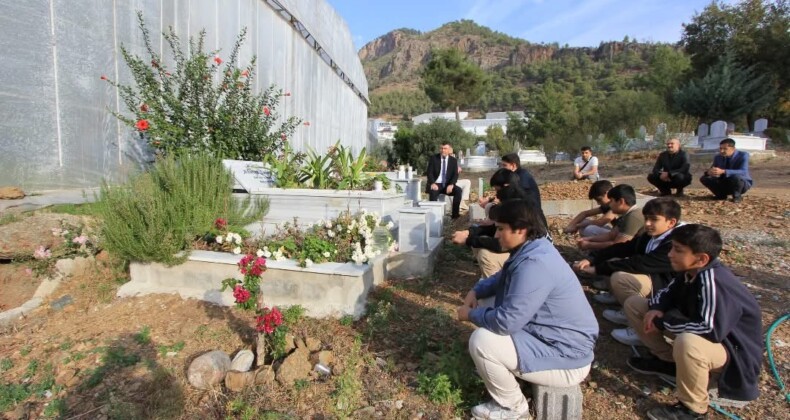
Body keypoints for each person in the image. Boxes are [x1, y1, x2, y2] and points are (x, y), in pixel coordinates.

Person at [457, 199, 598, 419]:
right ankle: (503, 370)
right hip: (549, 337)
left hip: (565, 357)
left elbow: (505, 323)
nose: (496, 235)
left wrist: (470, 315)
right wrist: (476, 291)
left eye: (501, 229)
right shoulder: (532, 249)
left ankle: (513, 408)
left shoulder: (536, 264)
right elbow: (500, 278)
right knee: (486, 301)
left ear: (521, 230)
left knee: (482, 341)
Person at [624, 224, 762, 419]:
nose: (670, 254)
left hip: (731, 350)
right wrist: (657, 309)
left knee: (689, 343)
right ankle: (668, 361)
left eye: (678, 250)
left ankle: (692, 409)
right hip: (708, 334)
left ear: (702, 258)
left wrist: (663, 322)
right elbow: (667, 293)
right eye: (672, 248)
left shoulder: (713, 280)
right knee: (637, 305)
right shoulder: (690, 271)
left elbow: (709, 329)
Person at [573, 198, 680, 346]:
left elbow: (640, 264)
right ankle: (629, 312)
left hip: (667, 289)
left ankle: (640, 327)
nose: (648, 223)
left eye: (654, 219)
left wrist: (598, 269)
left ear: (671, 222)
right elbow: (625, 247)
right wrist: (594, 260)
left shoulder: (675, 244)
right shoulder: (651, 236)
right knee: (616, 261)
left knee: (620, 277)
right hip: (655, 280)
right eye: (647, 218)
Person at [452, 169, 546, 278]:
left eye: (498, 190)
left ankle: (499, 289)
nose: (497, 195)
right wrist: (469, 232)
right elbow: (494, 228)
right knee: (479, 241)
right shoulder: (515, 200)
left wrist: (468, 240)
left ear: (506, 186)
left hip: (532, 257)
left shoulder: (518, 207)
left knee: (485, 255)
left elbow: (502, 245)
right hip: (525, 250)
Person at [577, 184, 644, 251]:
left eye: (611, 201)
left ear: (621, 201)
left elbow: (618, 245)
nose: (610, 205)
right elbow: (610, 235)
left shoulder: (633, 217)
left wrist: (589, 245)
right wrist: (588, 239)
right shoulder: (626, 215)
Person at [699, 138, 753, 203]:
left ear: (733, 149)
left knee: (736, 177)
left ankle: (737, 196)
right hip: (724, 181)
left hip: (740, 183)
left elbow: (743, 171)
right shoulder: (718, 157)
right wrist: (708, 172)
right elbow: (713, 169)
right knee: (704, 178)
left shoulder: (743, 155)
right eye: (720, 148)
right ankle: (720, 195)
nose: (722, 151)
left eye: (725, 149)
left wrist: (724, 171)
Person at [426, 141, 463, 218]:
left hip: (447, 185)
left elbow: (455, 174)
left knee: (458, 191)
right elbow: (429, 173)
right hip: (436, 184)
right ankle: (433, 216)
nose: (443, 150)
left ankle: (455, 216)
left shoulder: (453, 160)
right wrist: (432, 183)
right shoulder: (434, 158)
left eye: (445, 148)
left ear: (449, 150)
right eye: (441, 148)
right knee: (433, 192)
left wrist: (451, 184)